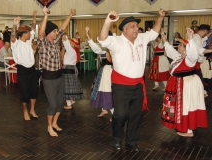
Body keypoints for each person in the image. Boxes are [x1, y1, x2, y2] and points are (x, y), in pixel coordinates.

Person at [98, 9, 165, 151]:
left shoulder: (142, 38)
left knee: (136, 115)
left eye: (137, 26)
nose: (136, 29)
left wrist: (160, 17)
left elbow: (154, 32)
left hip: (138, 86)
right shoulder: (116, 41)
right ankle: (117, 139)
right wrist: (108, 21)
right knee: (120, 114)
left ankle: (131, 141)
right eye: (133, 26)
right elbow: (102, 38)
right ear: (125, 29)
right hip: (120, 85)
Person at [161, 27, 208, 137]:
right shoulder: (179, 57)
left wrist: (191, 38)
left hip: (186, 85)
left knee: (187, 105)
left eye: (182, 45)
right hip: (179, 84)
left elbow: (193, 54)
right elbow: (170, 50)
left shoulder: (189, 60)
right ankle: (184, 126)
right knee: (182, 106)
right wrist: (164, 40)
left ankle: (188, 130)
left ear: (186, 49)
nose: (179, 45)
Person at [37, 6, 76, 137]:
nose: (56, 33)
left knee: (60, 104)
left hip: (59, 76)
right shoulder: (43, 44)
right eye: (53, 31)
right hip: (49, 79)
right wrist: (45, 16)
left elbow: (63, 28)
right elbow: (41, 33)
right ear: (48, 33)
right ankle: (49, 127)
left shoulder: (55, 42)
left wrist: (70, 15)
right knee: (53, 104)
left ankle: (54, 122)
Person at [11, 10, 40, 121]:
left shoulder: (28, 41)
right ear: (23, 34)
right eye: (28, 32)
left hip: (32, 70)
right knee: (24, 93)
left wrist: (34, 16)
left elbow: (33, 27)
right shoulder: (16, 43)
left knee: (33, 92)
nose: (30, 33)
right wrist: (14, 24)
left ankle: (32, 110)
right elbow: (13, 36)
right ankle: (25, 111)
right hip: (22, 70)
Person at [86, 27, 114, 120]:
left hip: (110, 71)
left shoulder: (113, 48)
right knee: (101, 90)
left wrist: (109, 53)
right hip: (103, 72)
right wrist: (87, 33)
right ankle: (104, 109)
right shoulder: (102, 49)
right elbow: (93, 44)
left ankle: (114, 113)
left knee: (108, 91)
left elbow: (112, 60)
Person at [61, 33, 84, 110]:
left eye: (71, 43)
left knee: (67, 87)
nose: (69, 44)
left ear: (72, 44)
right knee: (71, 85)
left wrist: (65, 38)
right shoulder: (73, 51)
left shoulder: (70, 50)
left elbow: (66, 43)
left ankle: (68, 104)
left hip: (67, 70)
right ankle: (71, 100)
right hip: (71, 69)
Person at [193, 24, 212, 97]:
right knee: (199, 78)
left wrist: (210, 32)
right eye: (206, 32)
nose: (206, 34)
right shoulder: (196, 39)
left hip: (197, 62)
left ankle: (203, 92)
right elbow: (200, 50)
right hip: (195, 62)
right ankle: (202, 93)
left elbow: (205, 38)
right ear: (204, 31)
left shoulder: (198, 37)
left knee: (199, 78)